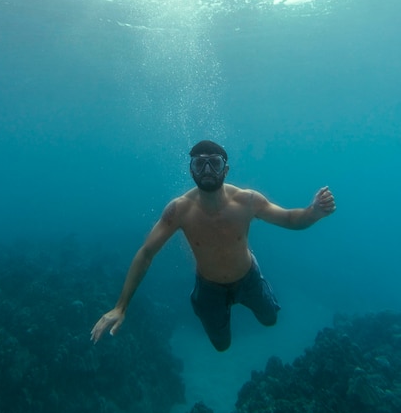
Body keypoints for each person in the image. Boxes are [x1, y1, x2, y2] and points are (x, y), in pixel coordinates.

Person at [91, 140, 336, 351]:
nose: (207, 170)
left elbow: (290, 219)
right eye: (200, 164)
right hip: (209, 288)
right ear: (191, 170)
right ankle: (204, 304)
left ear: (226, 170)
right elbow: (146, 254)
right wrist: (120, 307)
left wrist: (313, 212)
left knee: (270, 320)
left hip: (249, 277)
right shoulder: (179, 210)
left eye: (214, 163)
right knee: (222, 346)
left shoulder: (247, 200)